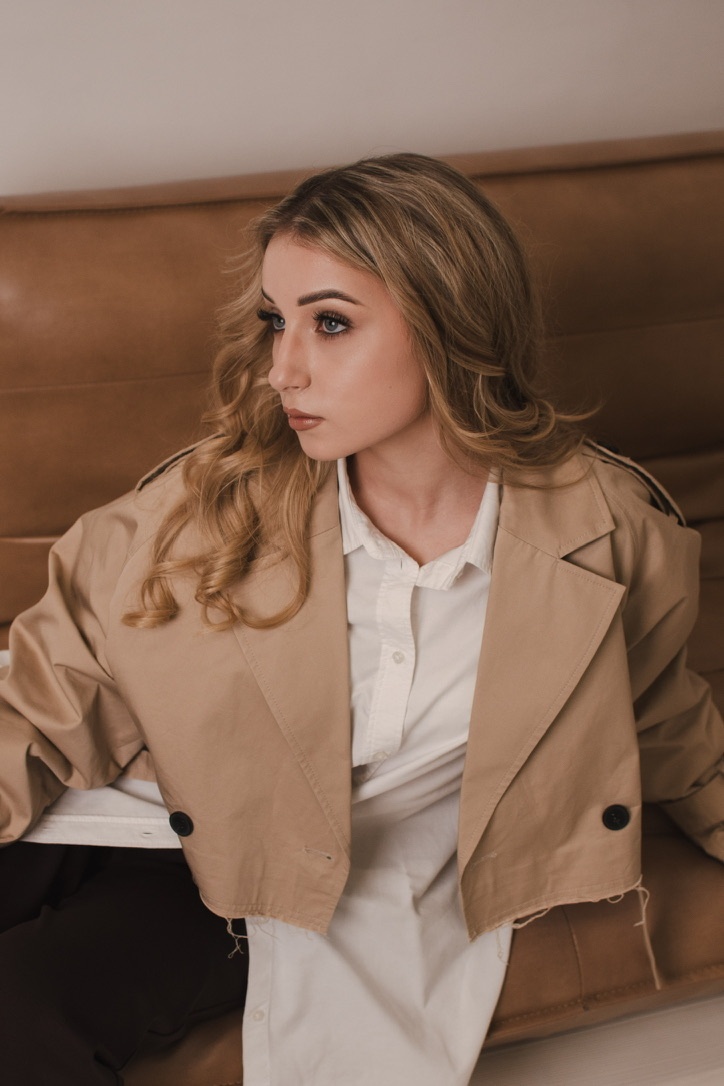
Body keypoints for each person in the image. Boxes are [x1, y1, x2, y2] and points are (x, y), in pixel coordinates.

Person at [1, 153, 722, 1085]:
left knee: (22, 1014)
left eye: (330, 323)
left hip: (256, 873)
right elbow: (47, 698)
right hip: (106, 801)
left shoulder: (609, 535)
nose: (283, 369)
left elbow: (664, 718)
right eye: (276, 321)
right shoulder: (204, 505)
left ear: (451, 323)